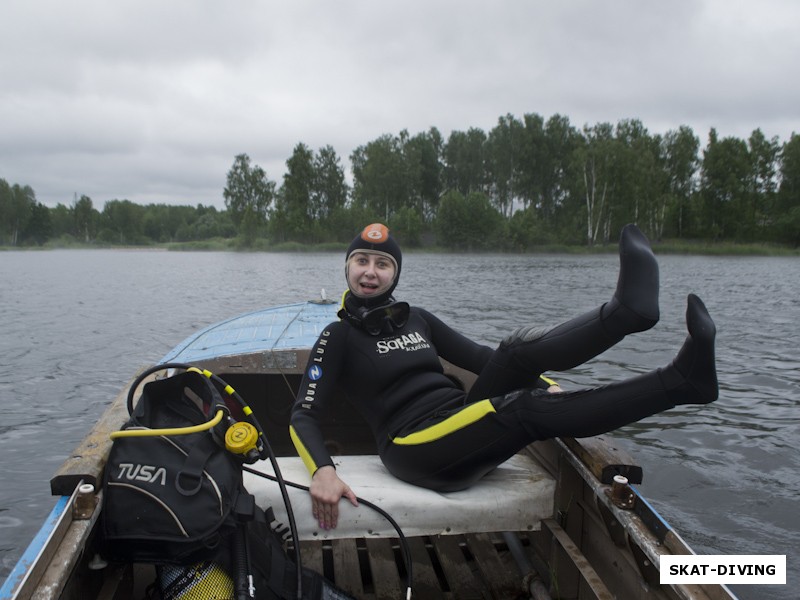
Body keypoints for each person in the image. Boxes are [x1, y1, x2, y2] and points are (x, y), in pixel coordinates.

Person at [289, 223, 718, 530]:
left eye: (382, 263)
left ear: (395, 274)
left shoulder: (419, 319)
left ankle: (627, 315)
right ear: (347, 269)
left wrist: (545, 382)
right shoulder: (338, 335)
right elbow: (303, 415)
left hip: (459, 419)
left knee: (514, 350)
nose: (370, 271)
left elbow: (483, 357)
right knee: (523, 410)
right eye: (361, 260)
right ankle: (679, 382)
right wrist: (322, 471)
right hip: (413, 449)